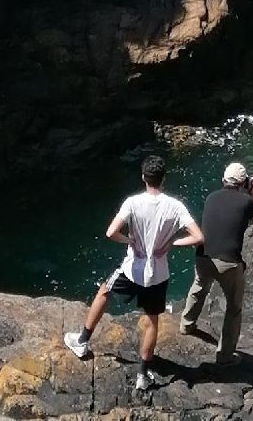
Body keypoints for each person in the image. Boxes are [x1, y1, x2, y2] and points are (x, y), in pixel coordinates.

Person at [64, 153, 202, 395]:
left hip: (133, 269)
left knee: (104, 291)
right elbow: (198, 237)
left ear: (143, 177)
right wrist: (171, 244)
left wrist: (129, 240)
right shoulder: (176, 206)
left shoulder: (132, 203)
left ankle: (82, 341)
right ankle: (142, 374)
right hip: (158, 274)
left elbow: (110, 233)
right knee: (152, 321)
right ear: (163, 179)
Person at [182, 161, 253, 367]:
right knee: (234, 307)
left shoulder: (211, 197)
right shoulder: (246, 202)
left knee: (199, 287)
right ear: (244, 183)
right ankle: (225, 356)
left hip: (203, 256)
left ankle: (186, 325)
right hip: (228, 262)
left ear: (223, 180)